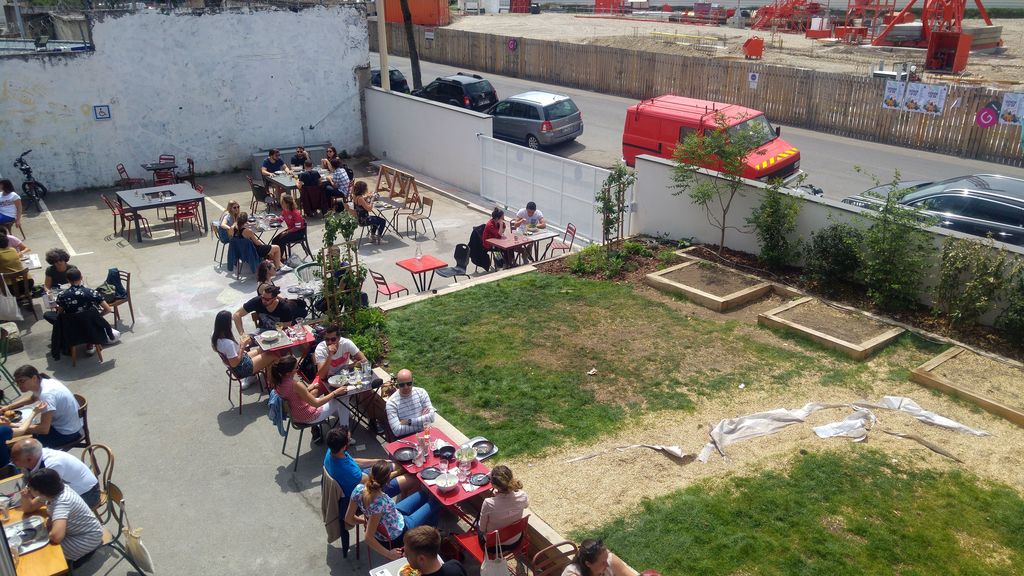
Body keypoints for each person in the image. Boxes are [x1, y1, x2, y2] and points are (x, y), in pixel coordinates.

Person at [345, 461, 442, 558]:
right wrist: (389, 554)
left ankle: (430, 525)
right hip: (397, 533)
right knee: (435, 502)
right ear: (388, 482)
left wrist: (367, 521)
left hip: (393, 516)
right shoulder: (380, 502)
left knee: (423, 494)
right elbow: (368, 538)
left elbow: (348, 519)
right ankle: (432, 535)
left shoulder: (358, 489)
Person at [20, 468, 103, 568]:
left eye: (30, 487)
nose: (28, 488)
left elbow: (56, 537)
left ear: (40, 491)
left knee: (43, 553)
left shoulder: (61, 502)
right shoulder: (54, 491)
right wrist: (25, 497)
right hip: (76, 532)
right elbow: (28, 509)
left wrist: (44, 533)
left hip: (87, 538)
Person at [0, 365, 83, 449]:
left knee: (21, 446)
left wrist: (11, 425)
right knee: (25, 430)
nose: (18, 385)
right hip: (72, 425)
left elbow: (43, 429)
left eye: (21, 381)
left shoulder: (46, 395)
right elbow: (32, 399)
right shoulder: (46, 382)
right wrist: (8, 407)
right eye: (17, 382)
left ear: (34, 378)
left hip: (67, 433)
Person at [324, 425, 410, 499]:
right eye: (349, 440)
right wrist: (398, 472)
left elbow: (353, 461)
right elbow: (375, 482)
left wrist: (380, 461)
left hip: (362, 478)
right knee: (411, 478)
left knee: (395, 464)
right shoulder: (351, 473)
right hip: (368, 492)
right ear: (343, 447)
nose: (350, 441)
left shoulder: (332, 451)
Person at [10, 439, 100, 508]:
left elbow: (37, 501)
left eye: (15, 459)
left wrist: (27, 501)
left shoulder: (51, 465)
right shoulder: (34, 458)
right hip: (65, 492)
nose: (12, 462)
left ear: (29, 459)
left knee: (47, 516)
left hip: (88, 493)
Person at [270, 355, 350, 429]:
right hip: (308, 416)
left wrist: (309, 388)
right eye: (296, 367)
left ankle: (344, 415)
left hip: (295, 415)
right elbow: (316, 403)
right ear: (288, 373)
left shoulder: (277, 382)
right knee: (343, 397)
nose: (298, 369)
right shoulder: (295, 385)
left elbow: (294, 395)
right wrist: (335, 392)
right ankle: (345, 432)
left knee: (341, 407)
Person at [51, 268, 121, 347]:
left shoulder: (62, 295)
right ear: (81, 278)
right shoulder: (91, 292)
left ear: (68, 280)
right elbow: (108, 309)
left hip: (72, 326)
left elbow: (59, 313)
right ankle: (90, 344)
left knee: (48, 315)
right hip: (90, 325)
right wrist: (97, 317)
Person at [212, 310, 276, 389]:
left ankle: (262, 377)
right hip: (241, 368)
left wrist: (239, 350)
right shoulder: (228, 344)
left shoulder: (214, 335)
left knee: (264, 349)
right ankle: (272, 383)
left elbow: (217, 349)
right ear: (227, 324)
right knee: (274, 355)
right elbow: (234, 363)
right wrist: (243, 346)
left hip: (239, 361)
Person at [478, 465, 529, 549]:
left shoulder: (488, 503)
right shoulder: (522, 495)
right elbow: (526, 505)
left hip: (494, 546)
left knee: (478, 524)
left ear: (494, 486)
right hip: (516, 539)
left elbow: (482, 529)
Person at [313, 324, 367, 391]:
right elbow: (322, 375)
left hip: (344, 376)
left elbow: (364, 360)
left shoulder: (347, 343)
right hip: (327, 379)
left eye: (333, 339)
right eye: (327, 339)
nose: (330, 342)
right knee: (313, 393)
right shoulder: (321, 348)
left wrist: (353, 365)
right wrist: (330, 355)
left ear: (339, 338)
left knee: (363, 388)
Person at [385, 369, 435, 437]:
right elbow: (397, 431)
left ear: (413, 381)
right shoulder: (391, 403)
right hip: (406, 438)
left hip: (424, 434)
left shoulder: (421, 393)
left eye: (409, 383)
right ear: (397, 384)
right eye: (402, 385)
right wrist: (422, 421)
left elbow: (431, 417)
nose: (406, 387)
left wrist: (408, 422)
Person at [233, 284, 300, 333]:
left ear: (274, 298)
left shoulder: (284, 307)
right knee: (245, 342)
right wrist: (242, 335)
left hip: (279, 332)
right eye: (262, 297)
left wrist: (276, 327)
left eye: (267, 299)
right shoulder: (257, 301)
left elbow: (288, 324)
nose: (263, 301)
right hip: (261, 331)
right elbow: (236, 315)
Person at [561, 539, 638, 576]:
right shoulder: (573, 574)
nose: (608, 564)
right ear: (588, 564)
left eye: (607, 558)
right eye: (603, 562)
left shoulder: (609, 560)